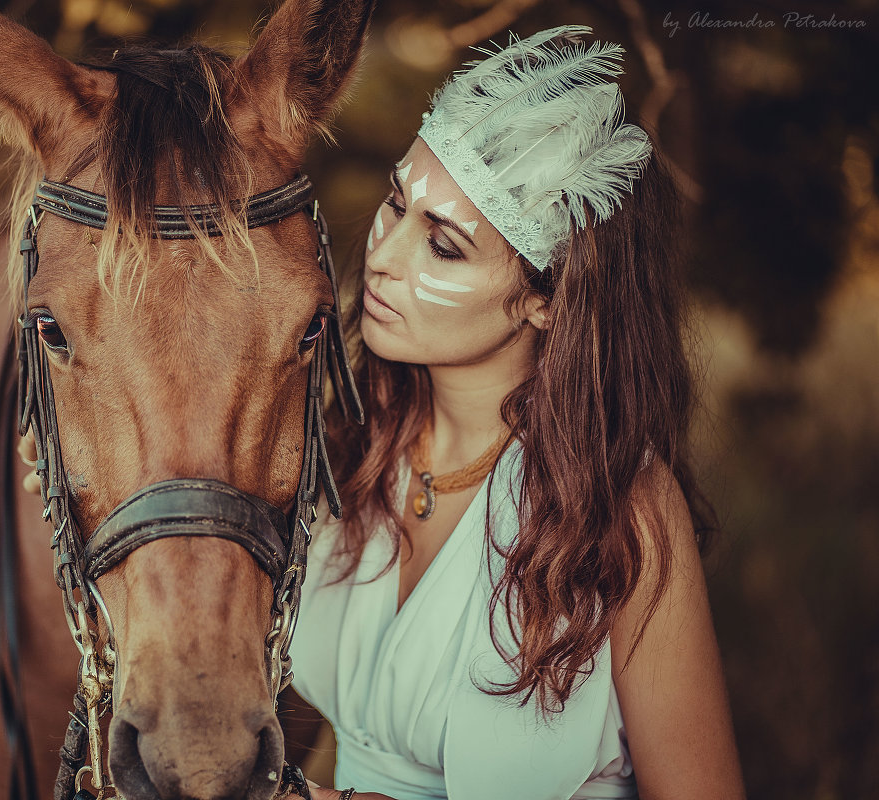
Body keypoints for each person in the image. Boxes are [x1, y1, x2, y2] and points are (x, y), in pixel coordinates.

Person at [284, 25, 747, 800]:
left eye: (444, 247)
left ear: (544, 300)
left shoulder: (621, 511)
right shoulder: (349, 440)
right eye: (397, 205)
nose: (385, 255)